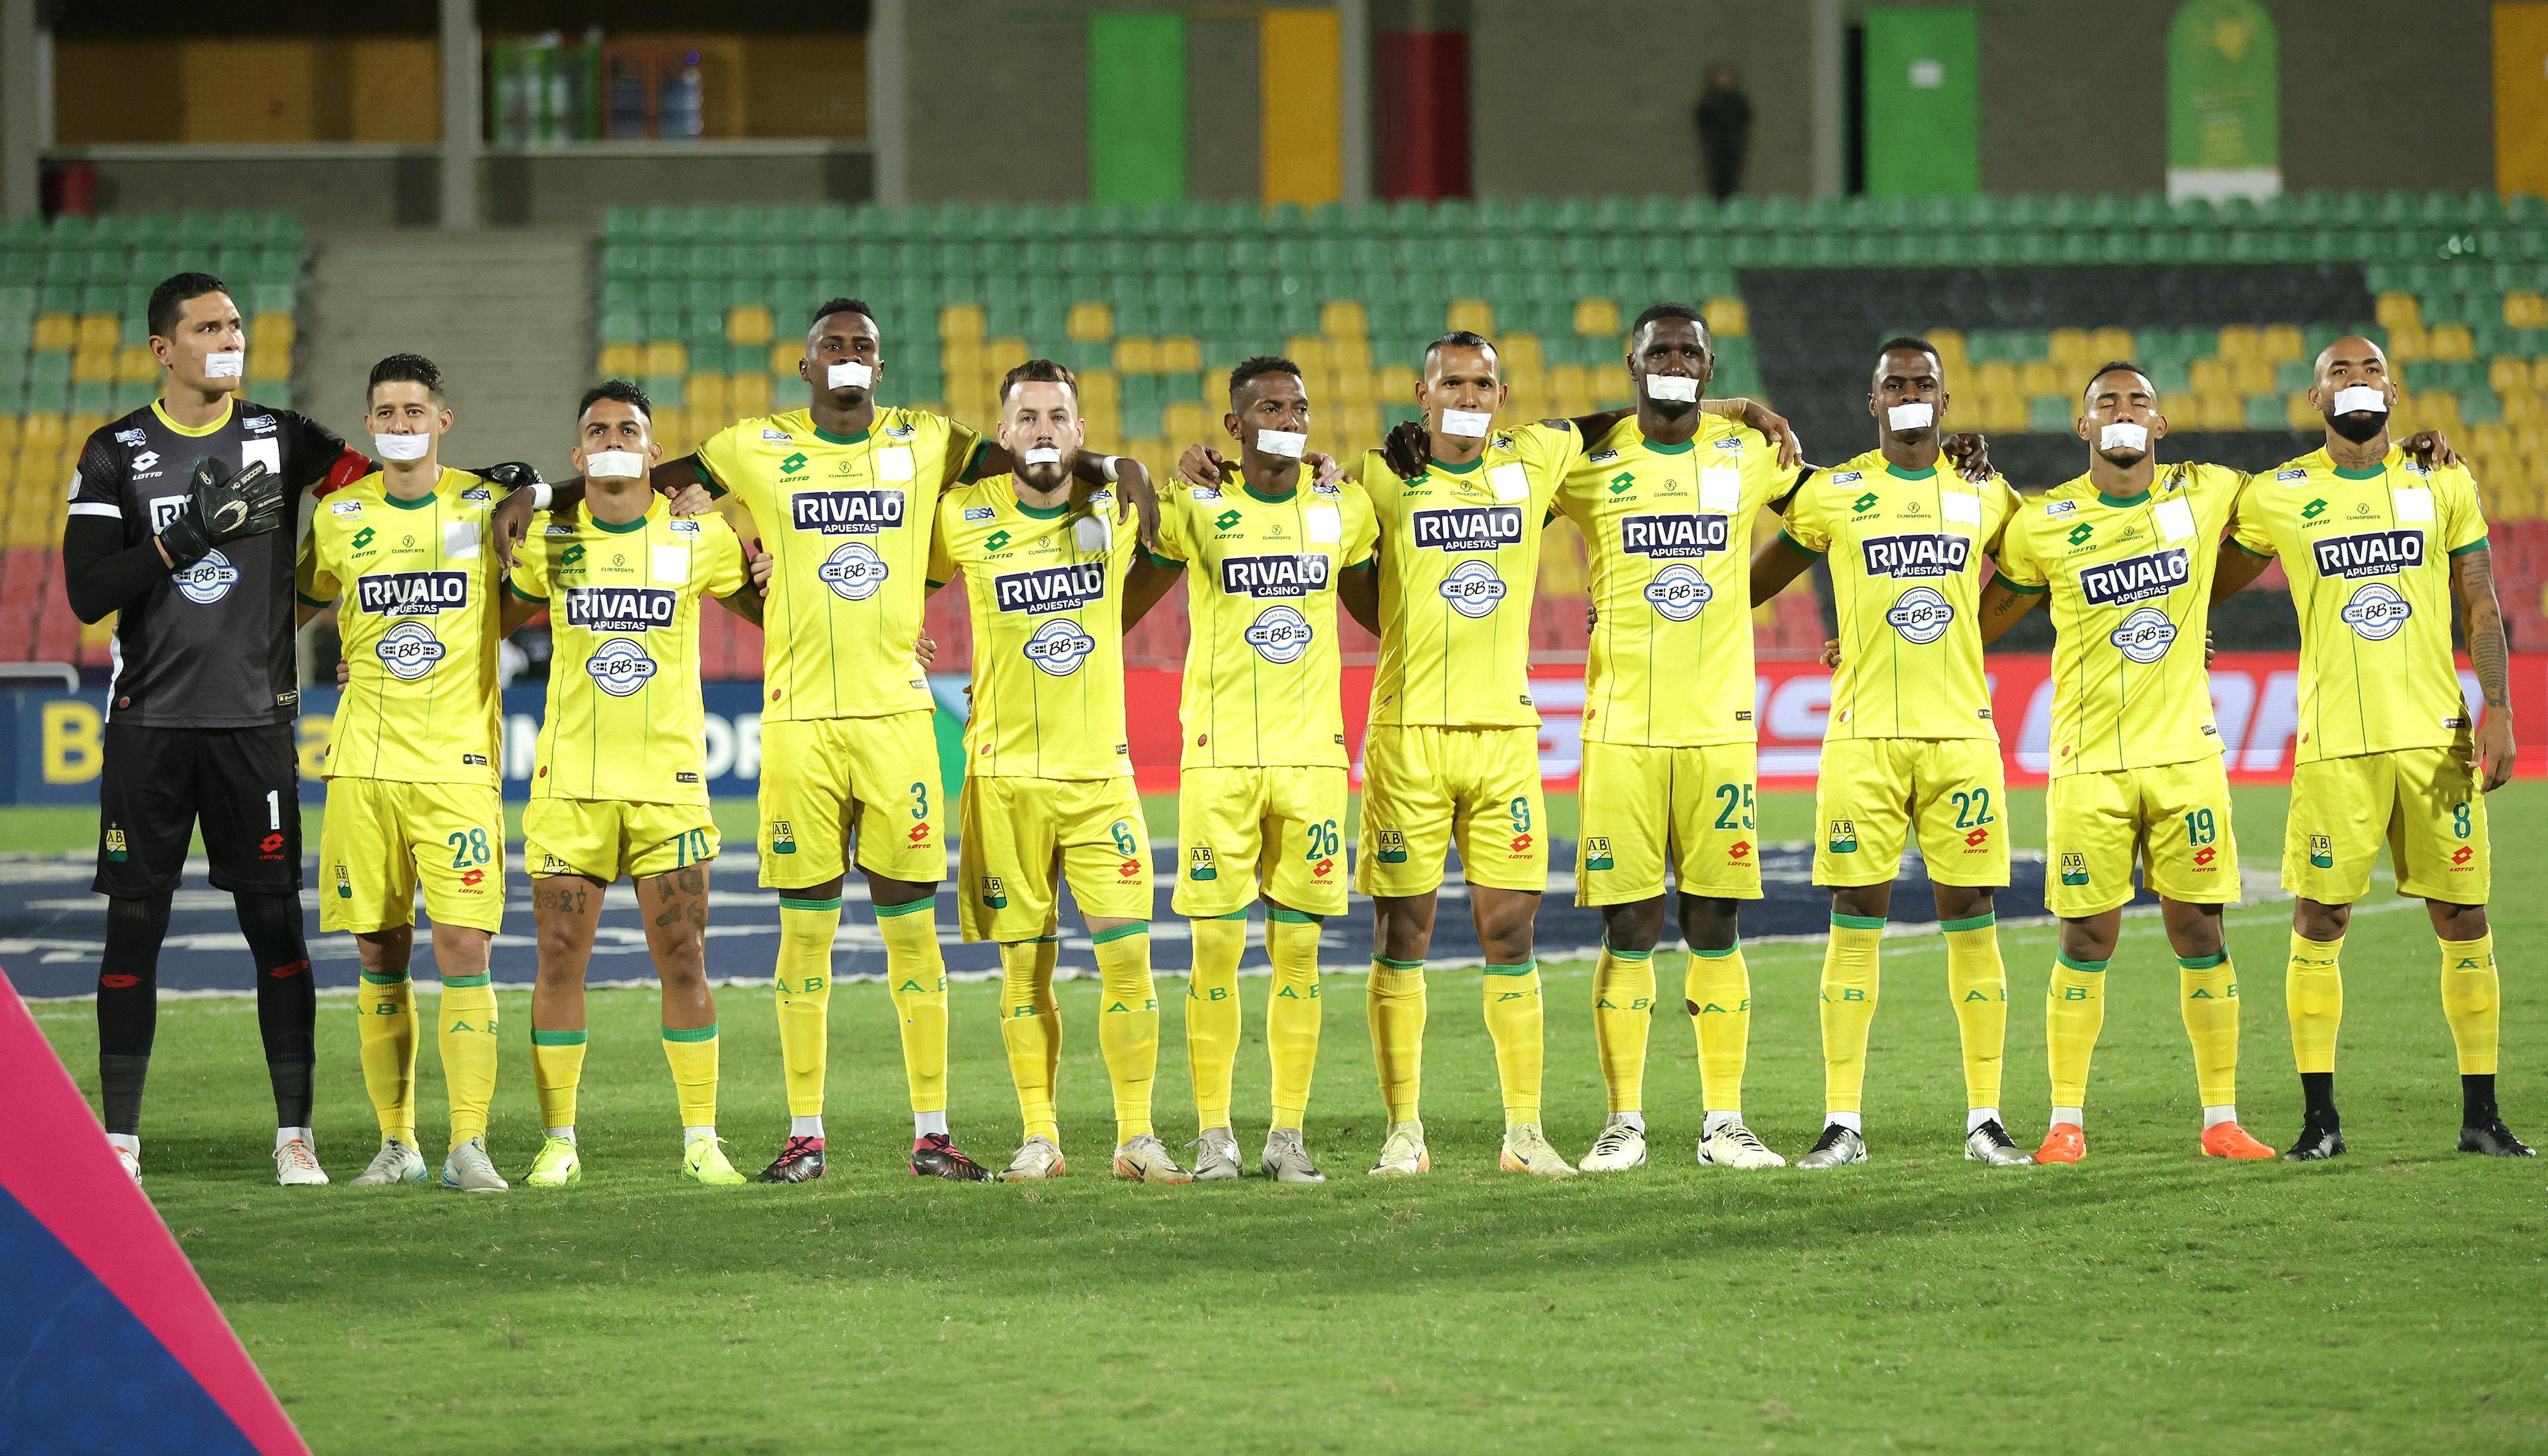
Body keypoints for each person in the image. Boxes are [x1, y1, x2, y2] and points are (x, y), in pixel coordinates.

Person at [573, 298, 1150, 1185]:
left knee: (910, 936)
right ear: (804, 366)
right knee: (803, 939)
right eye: (831, 346)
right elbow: (638, 475)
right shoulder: (752, 444)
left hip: (898, 723)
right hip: (800, 723)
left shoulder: (929, 441)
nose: (847, 356)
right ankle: (806, 1134)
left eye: (863, 347)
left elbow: (1041, 455)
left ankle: (933, 1134)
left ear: (881, 368)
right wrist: (566, 498)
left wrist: (1120, 463)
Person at [62, 271, 532, 1186]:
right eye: (208, 327)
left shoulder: (284, 439)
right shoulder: (114, 451)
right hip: (149, 722)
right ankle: (120, 1136)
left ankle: (297, 1136)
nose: (229, 337)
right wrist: (180, 540)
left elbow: (396, 491)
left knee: (275, 928)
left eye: (236, 323)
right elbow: (86, 594)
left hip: (257, 725)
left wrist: (508, 484)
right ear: (165, 348)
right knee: (133, 927)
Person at [2213, 336, 2532, 1160]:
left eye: (2368, 371)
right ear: (2314, 400)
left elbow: (2480, 599)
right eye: (2337, 374)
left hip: (2437, 739)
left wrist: (2497, 704)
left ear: (2394, 391)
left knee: (2463, 915)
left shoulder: (2441, 478)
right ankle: (2320, 1122)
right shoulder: (2280, 494)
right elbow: (2205, 576)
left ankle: (2482, 1118)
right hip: (2336, 744)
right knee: (2320, 916)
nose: (2355, 383)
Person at [1749, 337, 2032, 1169]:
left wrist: (1964, 640)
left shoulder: (1984, 491)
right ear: (1872, 403)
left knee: (1971, 925)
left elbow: (2033, 571)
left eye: (1924, 384)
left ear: (1946, 403)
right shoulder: (1836, 494)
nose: (1909, 394)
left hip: (1960, 740)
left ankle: (1985, 1118)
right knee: (1854, 925)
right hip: (1862, 740)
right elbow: (1753, 583)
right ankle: (1843, 1122)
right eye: (1894, 384)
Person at [503, 381, 771, 1187]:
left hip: (669, 788)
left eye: (630, 428)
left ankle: (701, 1139)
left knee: (685, 958)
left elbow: (782, 601)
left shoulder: (699, 538)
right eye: (597, 429)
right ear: (579, 455)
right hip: (570, 788)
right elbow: (480, 625)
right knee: (557, 960)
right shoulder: (548, 542)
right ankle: (559, 1142)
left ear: (655, 452)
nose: (614, 437)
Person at [928, 359, 1190, 1184]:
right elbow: (876, 566)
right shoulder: (964, 516)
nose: (1043, 427)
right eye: (1027, 416)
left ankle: (1136, 1136)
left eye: (1058, 416)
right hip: (1003, 780)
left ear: (1080, 433)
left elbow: (1185, 543)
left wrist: (1137, 473)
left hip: (1099, 780)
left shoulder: (1115, 510)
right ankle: (1039, 1136)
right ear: (1002, 435)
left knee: (1127, 961)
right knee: (1024, 970)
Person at [1553, 305, 1796, 1173]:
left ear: (1708, 362)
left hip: (1718, 726)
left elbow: (1827, 519)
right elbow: (1494, 507)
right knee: (1630, 922)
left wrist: (1745, 596)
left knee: (1714, 919)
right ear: (1632, 360)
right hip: (1620, 726)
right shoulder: (1591, 461)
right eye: (1661, 349)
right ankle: (1623, 1122)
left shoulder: (1751, 455)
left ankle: (1722, 1121)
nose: (1675, 360)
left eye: (1690, 351)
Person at [1122, 356, 1377, 1182]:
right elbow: (1144, 547)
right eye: (1268, 406)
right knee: (1216, 956)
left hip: (1312, 762)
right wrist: (1168, 471)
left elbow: (1385, 589)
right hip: (1219, 759)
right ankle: (1215, 1135)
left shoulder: (1345, 510)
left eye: (1299, 406)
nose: (1288, 417)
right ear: (1233, 426)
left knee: (1299, 958)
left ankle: (1286, 1135)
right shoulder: (1199, 508)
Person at [293, 354, 513, 1191]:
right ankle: (398, 1144)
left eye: (414, 410)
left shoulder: (485, 504)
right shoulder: (342, 514)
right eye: (385, 411)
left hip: (456, 765)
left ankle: (468, 1144)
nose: (400, 423)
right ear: (370, 422)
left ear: (441, 422)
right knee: (380, 954)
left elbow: (548, 571)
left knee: (465, 948)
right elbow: (301, 599)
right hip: (363, 766)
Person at [1694, 65, 1753, 201]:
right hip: (1715, 148)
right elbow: (1702, 120)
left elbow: (1744, 119)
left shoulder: (1738, 101)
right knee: (1716, 178)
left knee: (1732, 179)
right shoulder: (1709, 102)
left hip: (1733, 147)